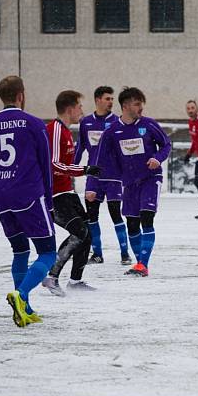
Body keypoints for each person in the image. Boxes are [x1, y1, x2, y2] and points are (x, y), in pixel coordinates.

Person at [0, 76, 57, 327]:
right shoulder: (33, 123)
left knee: (20, 250)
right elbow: (46, 165)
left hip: (1, 198)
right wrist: (49, 203)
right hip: (29, 195)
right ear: (21, 95)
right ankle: (21, 296)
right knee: (48, 252)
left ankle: (25, 309)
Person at [96, 87, 171, 277]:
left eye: (141, 103)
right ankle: (139, 262)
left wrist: (157, 158)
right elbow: (101, 160)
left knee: (147, 217)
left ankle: (142, 264)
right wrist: (94, 184)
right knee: (132, 224)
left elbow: (166, 144)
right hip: (129, 183)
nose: (141, 108)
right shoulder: (112, 130)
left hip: (150, 178)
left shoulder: (149, 124)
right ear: (125, 106)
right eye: (137, 104)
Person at [40, 90, 101, 295]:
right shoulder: (55, 129)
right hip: (54, 195)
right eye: (80, 107)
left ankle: (75, 281)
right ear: (70, 109)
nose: (82, 111)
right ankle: (52, 277)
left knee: (87, 234)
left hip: (67, 192)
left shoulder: (66, 131)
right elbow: (54, 165)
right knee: (79, 232)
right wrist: (84, 170)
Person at [75, 86, 132, 265]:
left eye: (112, 99)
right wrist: (70, 168)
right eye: (107, 99)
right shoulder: (86, 122)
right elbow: (80, 147)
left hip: (113, 177)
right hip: (93, 177)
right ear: (98, 99)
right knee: (92, 216)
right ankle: (97, 254)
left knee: (116, 214)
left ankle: (125, 253)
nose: (111, 102)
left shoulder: (116, 122)